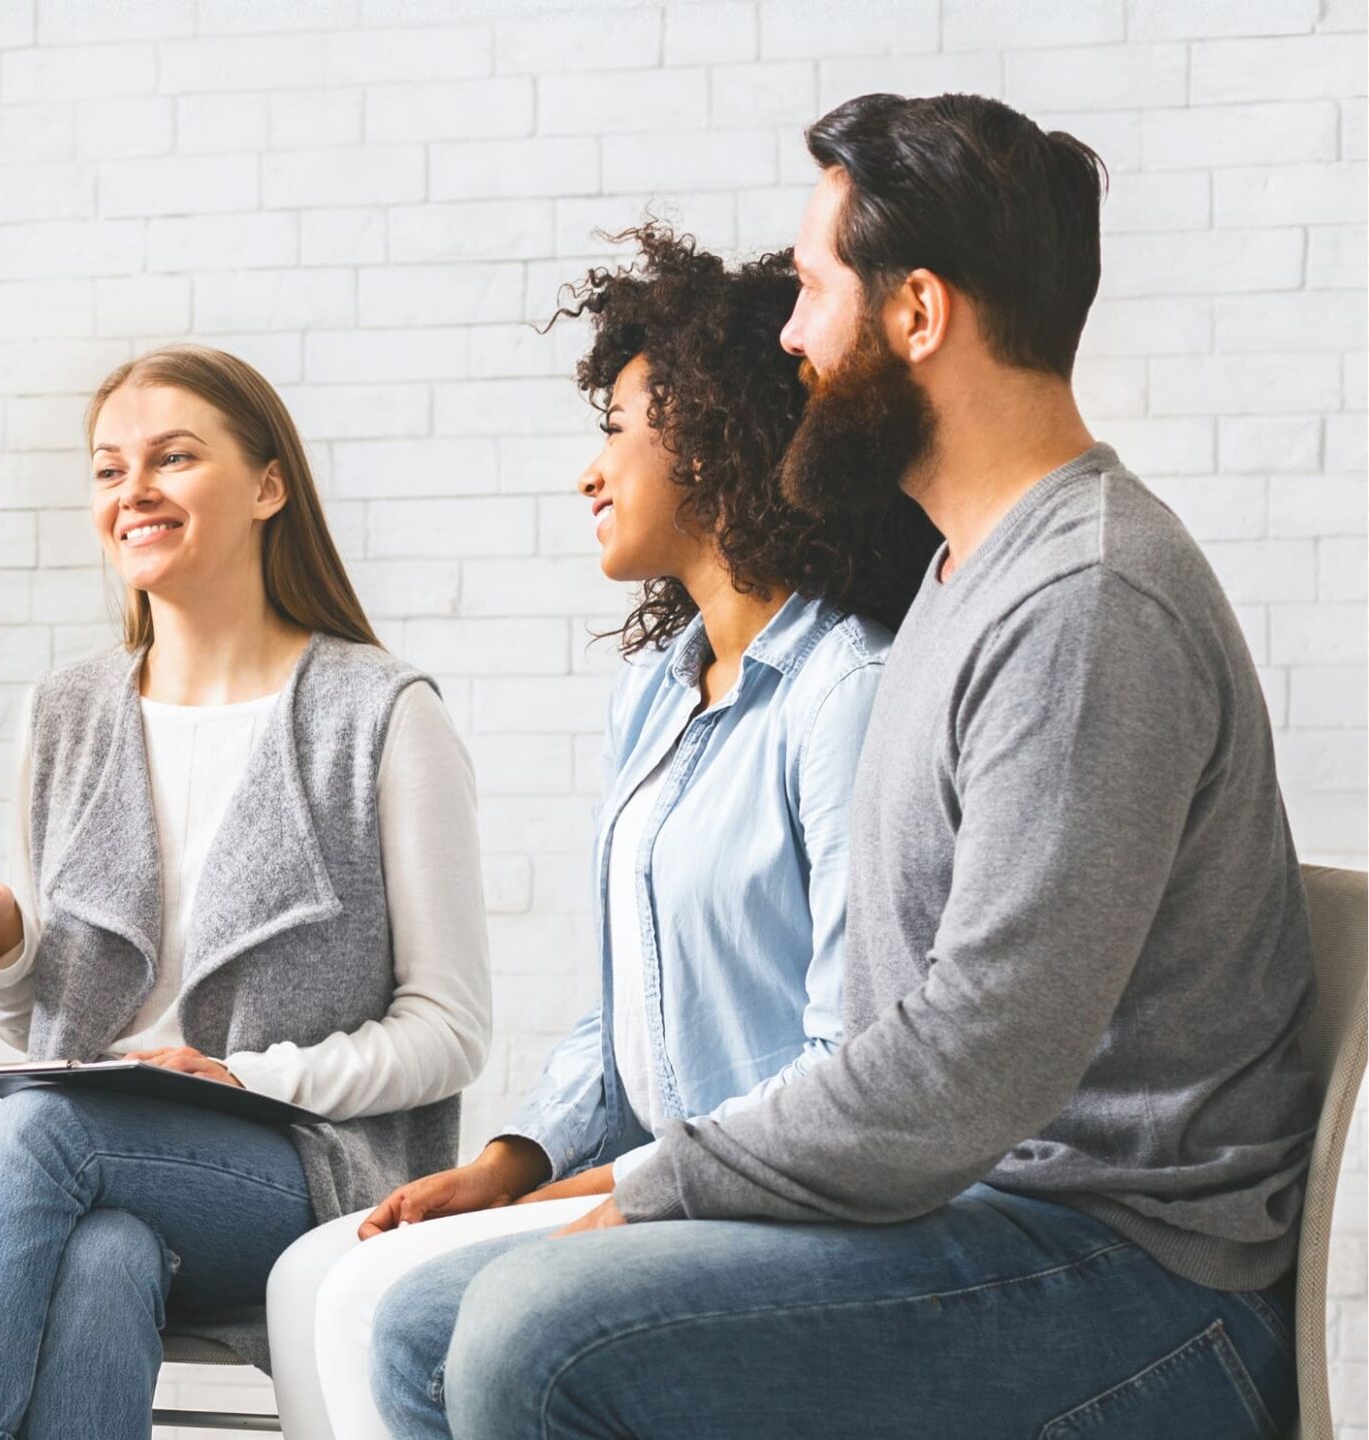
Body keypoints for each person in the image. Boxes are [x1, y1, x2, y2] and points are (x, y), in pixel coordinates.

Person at [375, 92, 1318, 1440]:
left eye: (815, 289)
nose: (792, 334)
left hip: (1140, 1287)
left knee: (537, 1333)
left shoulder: (1088, 602)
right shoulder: (965, 576)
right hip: (992, 1221)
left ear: (917, 314)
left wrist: (646, 1191)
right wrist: (594, 1179)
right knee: (426, 1318)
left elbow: (969, 1066)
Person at [262, 226, 939, 1439]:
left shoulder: (847, 695)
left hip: (780, 1201)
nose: (590, 472)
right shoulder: (661, 693)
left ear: (719, 442)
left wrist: (611, 1188)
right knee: (315, 1275)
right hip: (663, 1183)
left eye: (619, 432)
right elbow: (625, 999)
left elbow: (852, 1052)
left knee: (389, 1306)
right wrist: (520, 1156)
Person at [0, 343, 493, 1440]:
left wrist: (242, 1077)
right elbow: (42, 1018)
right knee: (103, 1259)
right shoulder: (67, 712)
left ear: (267, 485)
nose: (131, 490)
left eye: (172, 458)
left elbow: (449, 1031)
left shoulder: (381, 714)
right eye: (107, 469)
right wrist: (2, 942)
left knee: (30, 1139)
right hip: (100, 1177)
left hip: (305, 1170)